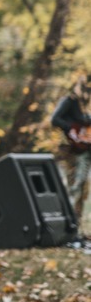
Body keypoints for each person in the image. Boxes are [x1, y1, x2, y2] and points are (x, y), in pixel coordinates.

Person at [52, 74, 91, 226]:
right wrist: (72, 131)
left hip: (83, 150)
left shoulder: (83, 104)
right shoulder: (69, 100)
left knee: (83, 187)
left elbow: (84, 120)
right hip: (70, 149)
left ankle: (77, 224)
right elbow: (55, 119)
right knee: (73, 186)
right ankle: (67, 223)